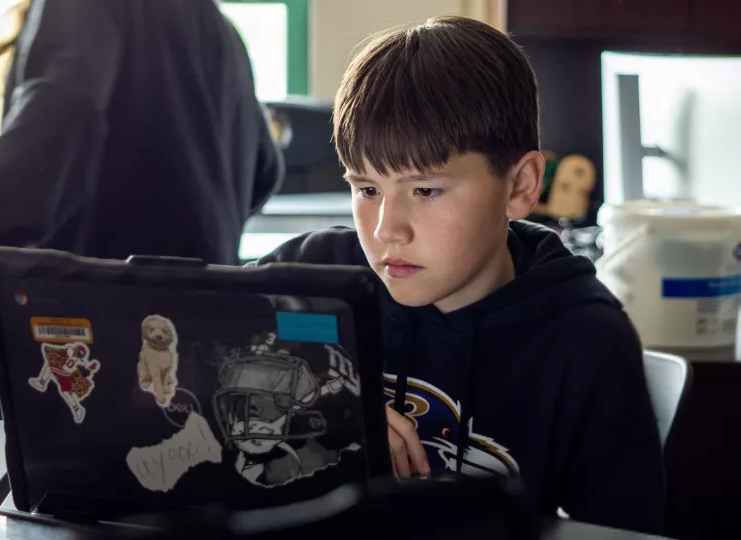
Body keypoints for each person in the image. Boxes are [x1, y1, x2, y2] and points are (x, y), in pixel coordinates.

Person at [251, 16, 664, 534]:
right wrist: (327, 409)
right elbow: (186, 354)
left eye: (425, 190)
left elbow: (623, 531)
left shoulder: (583, 342)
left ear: (520, 185)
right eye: (367, 189)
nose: (386, 229)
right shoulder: (308, 285)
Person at [0, 0, 283, 310]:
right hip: (204, 314)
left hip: (102, 317)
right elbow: (264, 170)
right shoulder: (217, 27)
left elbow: (55, 122)